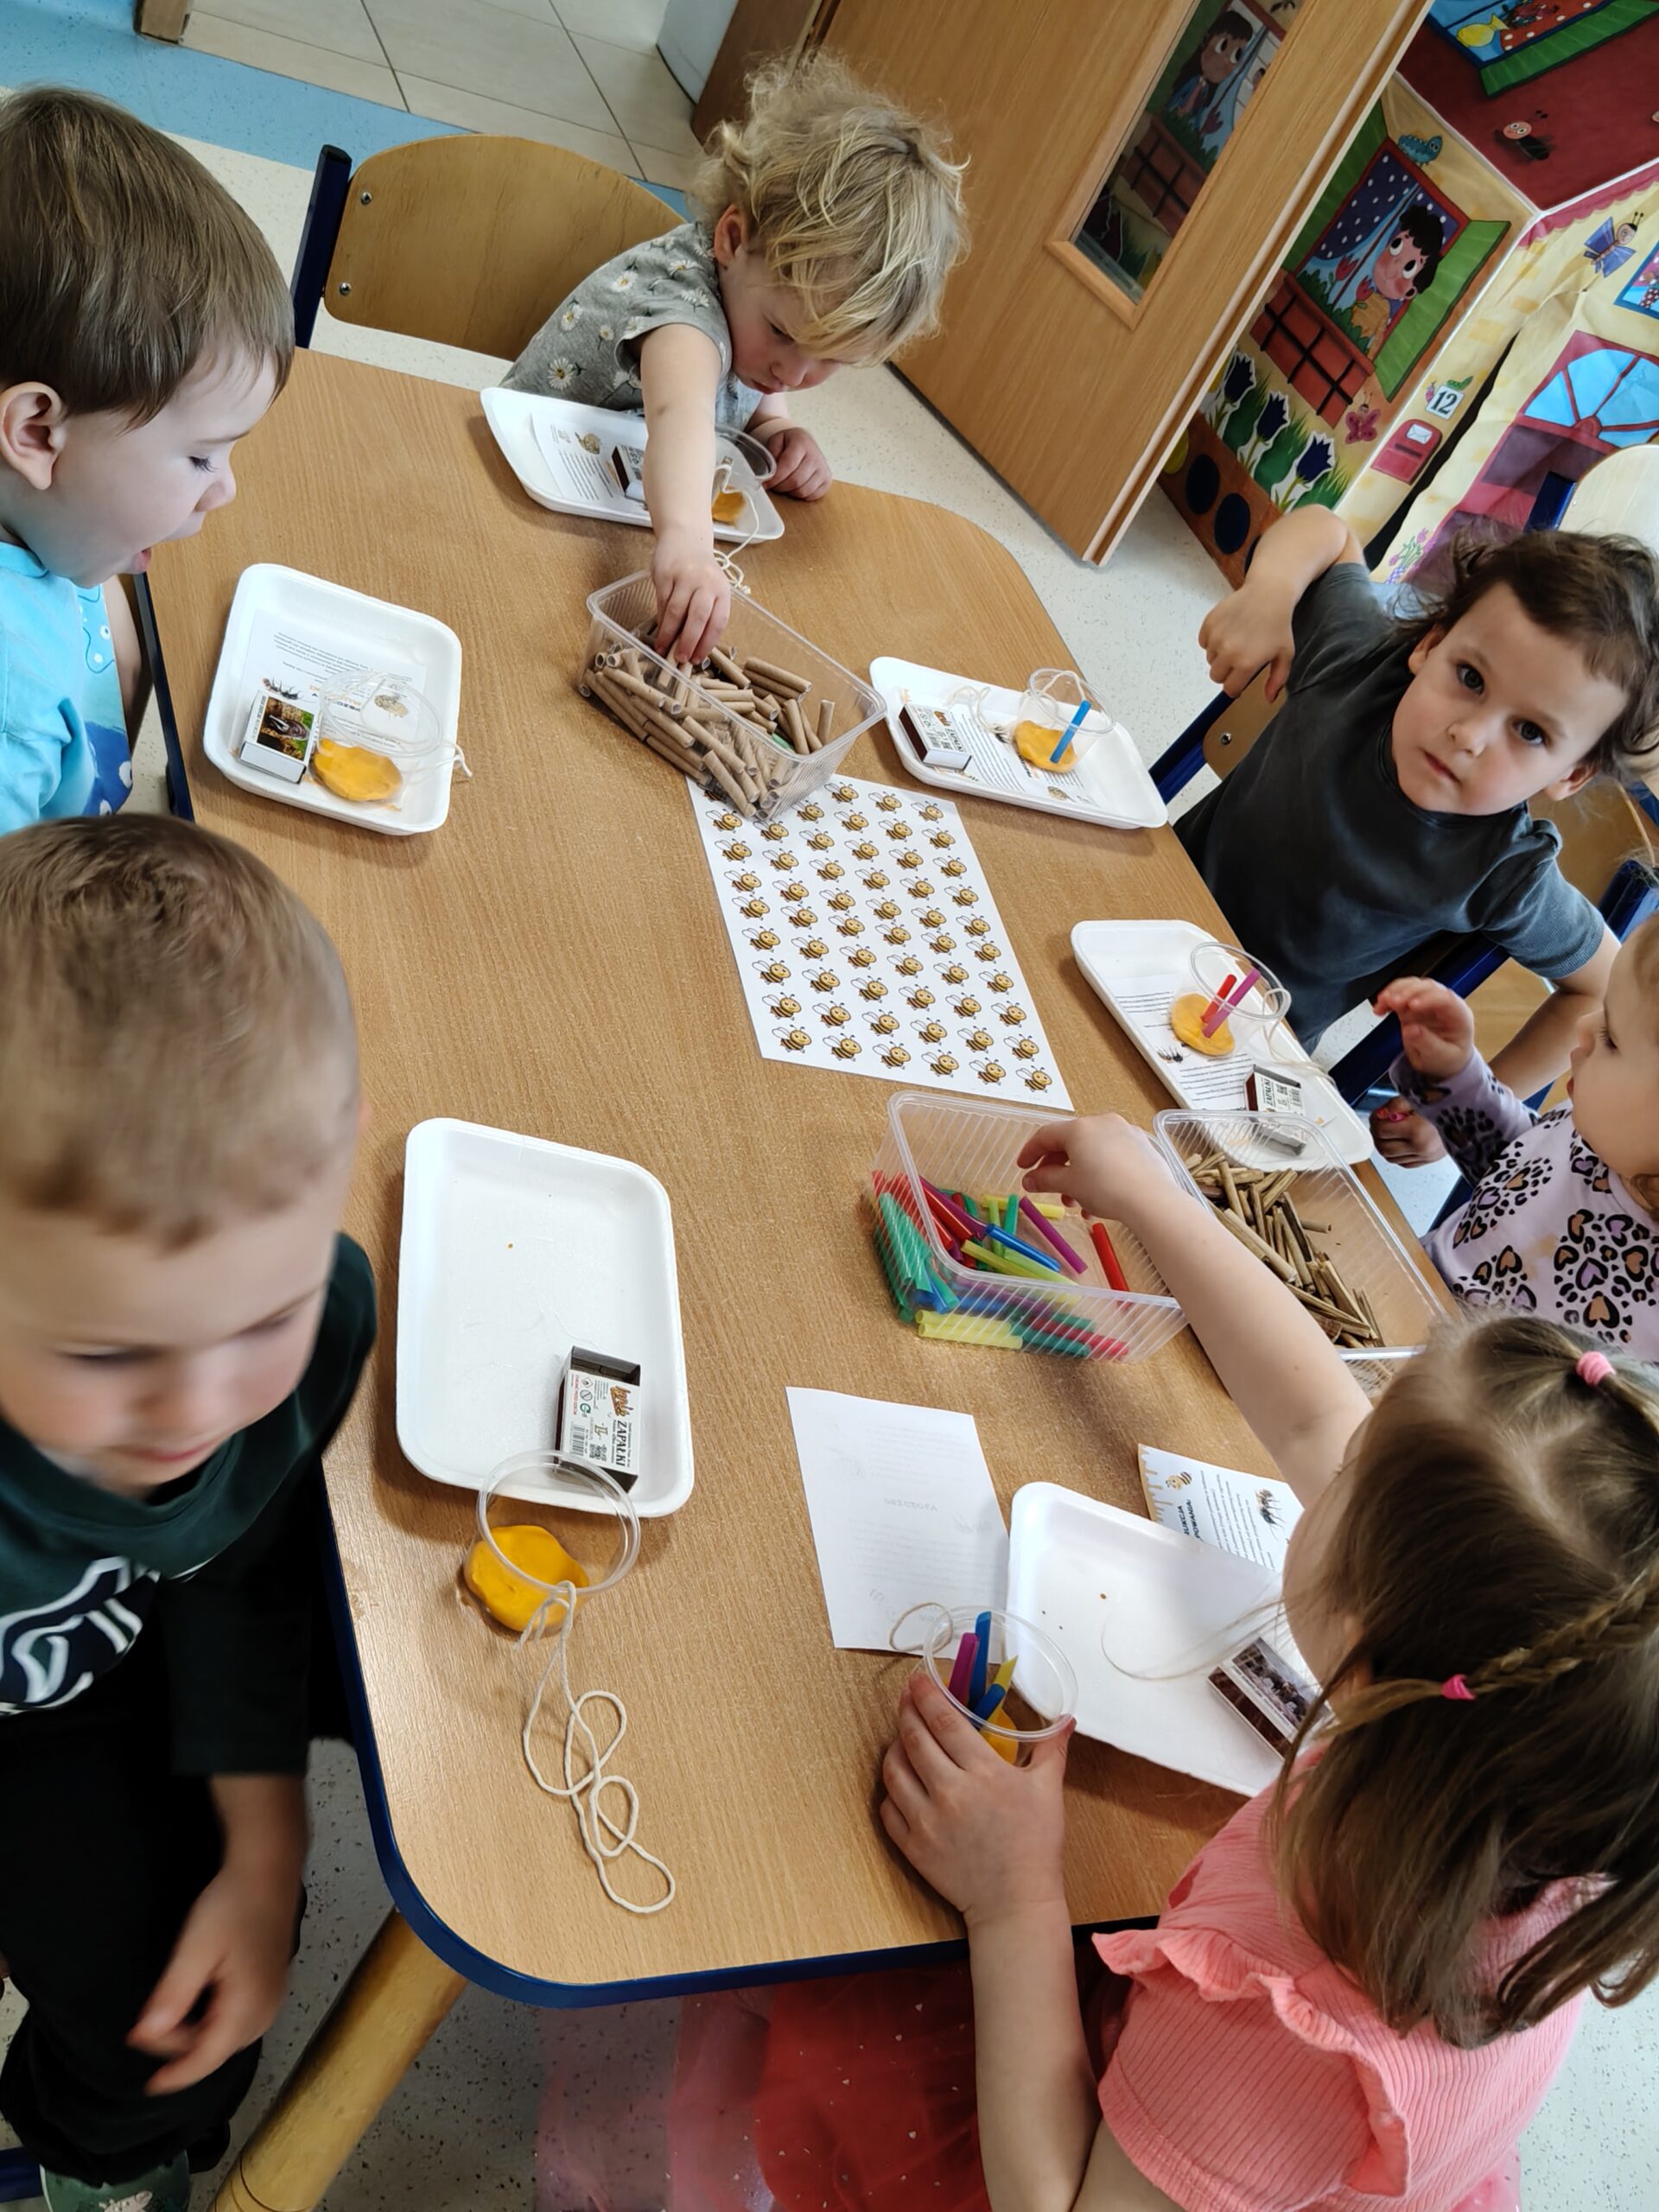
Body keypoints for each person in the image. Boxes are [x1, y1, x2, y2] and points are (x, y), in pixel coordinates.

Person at [0, 816, 373, 2212]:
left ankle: (77, 2158)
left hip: (98, 1671)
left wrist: (268, 1846)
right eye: (108, 1353)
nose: (196, 1411)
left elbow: (241, 1559)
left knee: (170, 2042)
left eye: (262, 1319)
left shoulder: (314, 1320)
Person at [1182, 509, 1659, 1157]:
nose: (1469, 735)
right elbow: (1327, 530)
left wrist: (1462, 1109)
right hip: (1143, 897)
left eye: (1529, 732)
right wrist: (1270, 590)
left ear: (1570, 775)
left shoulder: (1505, 870)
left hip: (1241, 1049)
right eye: (1471, 678)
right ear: (1431, 645)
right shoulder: (1358, 663)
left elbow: (1599, 988)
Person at [505, 56, 965, 664]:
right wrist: (689, 544)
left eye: (829, 359)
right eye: (782, 333)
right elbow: (680, 414)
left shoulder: (754, 300)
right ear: (731, 239)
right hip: (518, 492)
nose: (791, 373)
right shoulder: (684, 315)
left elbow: (752, 386)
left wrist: (773, 426)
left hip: (599, 502)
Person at [0, 86, 289, 836]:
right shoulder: (12, 718)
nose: (225, 490)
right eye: (200, 457)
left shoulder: (58, 524)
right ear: (36, 434)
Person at [1372, 914, 1659, 1352]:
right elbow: (1512, 1174)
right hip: (1395, 1291)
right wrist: (1454, 1075)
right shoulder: (1596, 1128)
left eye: (1612, 1039)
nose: (1584, 1026)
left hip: (1461, 1388)